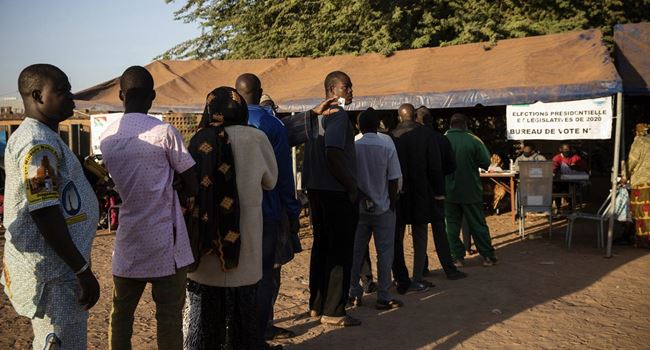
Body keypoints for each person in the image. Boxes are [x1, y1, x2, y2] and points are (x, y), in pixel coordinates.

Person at [1, 64, 100, 349]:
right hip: (56, 276)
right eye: (62, 91)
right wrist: (81, 270)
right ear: (37, 96)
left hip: (59, 269)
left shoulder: (44, 136)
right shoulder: (37, 143)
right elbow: (44, 212)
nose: (71, 97)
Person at [100, 66, 198, 350]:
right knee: (168, 316)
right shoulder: (164, 132)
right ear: (152, 97)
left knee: (121, 316)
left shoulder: (107, 138)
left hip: (129, 241)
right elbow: (191, 183)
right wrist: (177, 182)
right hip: (165, 243)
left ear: (121, 95)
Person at [184, 87, 278, 349]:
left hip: (206, 246)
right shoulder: (257, 138)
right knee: (243, 320)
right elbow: (271, 181)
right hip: (244, 248)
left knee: (205, 322)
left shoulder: (198, 140)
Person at [235, 73, 301, 346]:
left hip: (234, 213)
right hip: (267, 211)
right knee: (265, 276)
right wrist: (293, 210)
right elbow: (284, 174)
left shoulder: (226, 122)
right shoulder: (271, 124)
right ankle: (259, 336)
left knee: (238, 276)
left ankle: (240, 335)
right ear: (260, 91)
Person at [302, 71, 361, 327]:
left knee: (322, 248)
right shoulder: (337, 115)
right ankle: (335, 311)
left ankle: (317, 305)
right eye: (346, 87)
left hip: (316, 190)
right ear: (331, 90)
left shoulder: (313, 118)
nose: (350, 91)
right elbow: (334, 154)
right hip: (335, 192)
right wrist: (351, 186)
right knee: (340, 251)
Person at [348, 108, 403, 310]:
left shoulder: (353, 145)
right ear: (378, 124)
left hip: (359, 210)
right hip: (383, 208)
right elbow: (393, 179)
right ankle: (384, 295)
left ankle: (353, 293)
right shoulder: (386, 145)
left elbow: (349, 177)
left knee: (355, 253)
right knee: (385, 253)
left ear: (358, 126)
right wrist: (390, 206)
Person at [390, 103, 443, 294]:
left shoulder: (392, 136)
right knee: (420, 236)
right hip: (422, 192)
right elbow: (435, 166)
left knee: (397, 237)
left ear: (399, 117)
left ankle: (400, 277)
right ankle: (418, 276)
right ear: (415, 116)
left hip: (399, 193)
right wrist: (438, 191)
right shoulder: (427, 135)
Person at [414, 107, 467, 281]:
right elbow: (451, 166)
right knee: (439, 231)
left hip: (416, 192)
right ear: (431, 121)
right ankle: (449, 269)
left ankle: (421, 268)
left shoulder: (408, 138)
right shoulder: (440, 139)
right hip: (436, 191)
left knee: (418, 231)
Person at [445, 113, 498, 267]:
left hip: (448, 191)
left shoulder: (443, 139)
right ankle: (488, 256)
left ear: (451, 125)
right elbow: (486, 163)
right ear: (466, 125)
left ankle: (457, 257)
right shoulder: (474, 140)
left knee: (451, 226)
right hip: (471, 190)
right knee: (477, 224)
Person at [628, 123, 650, 248]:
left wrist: (625, 174)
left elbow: (633, 160)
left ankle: (643, 241)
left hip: (642, 182)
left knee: (641, 212)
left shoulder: (638, 142)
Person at [552, 143, 588, 211]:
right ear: (560, 150)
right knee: (556, 189)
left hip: (572, 181)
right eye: (565, 149)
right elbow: (553, 169)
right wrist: (557, 171)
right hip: (560, 181)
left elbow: (584, 168)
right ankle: (558, 208)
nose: (567, 151)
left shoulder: (576, 157)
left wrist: (576, 168)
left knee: (571, 188)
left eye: (568, 149)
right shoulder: (556, 158)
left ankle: (571, 208)